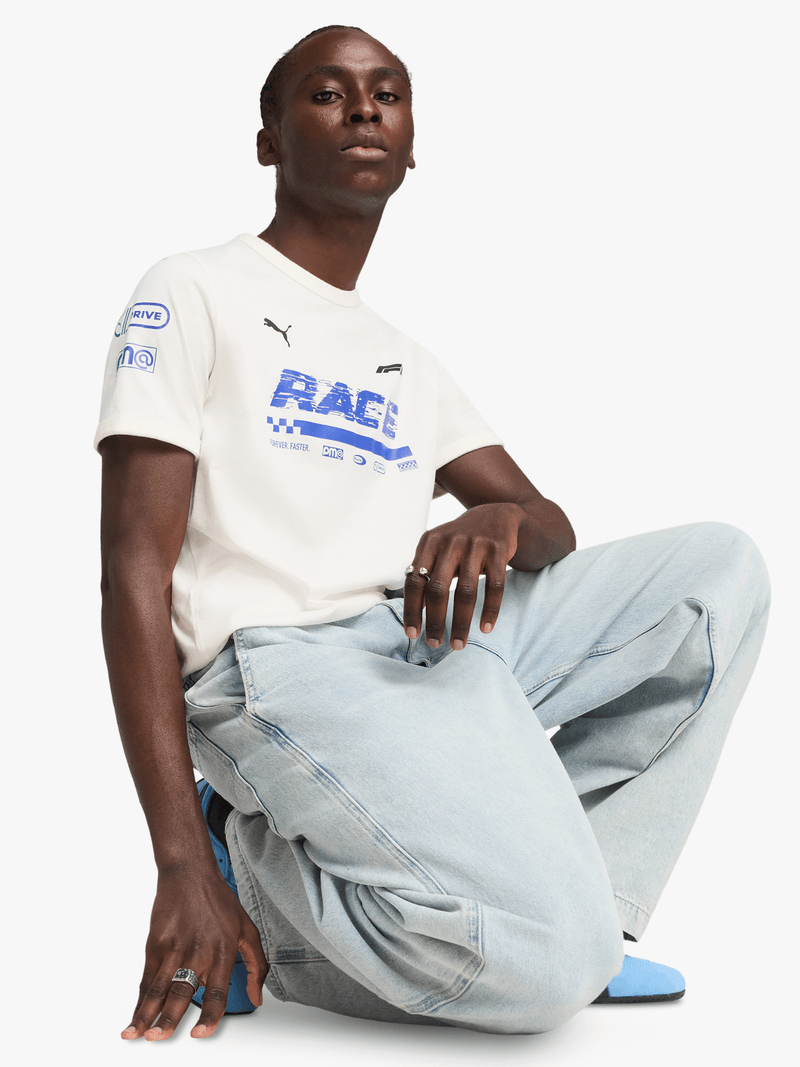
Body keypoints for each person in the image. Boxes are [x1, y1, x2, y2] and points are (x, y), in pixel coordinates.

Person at [96, 25, 770, 1041]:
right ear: (269, 141)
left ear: (412, 147)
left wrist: (497, 517)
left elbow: (549, 527)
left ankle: (589, 913)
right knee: (541, 978)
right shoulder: (190, 290)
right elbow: (132, 570)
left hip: (414, 639)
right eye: (328, 92)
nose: (364, 108)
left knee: (716, 573)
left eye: (388, 93)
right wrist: (179, 859)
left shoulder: (402, 357)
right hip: (276, 662)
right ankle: (266, 885)